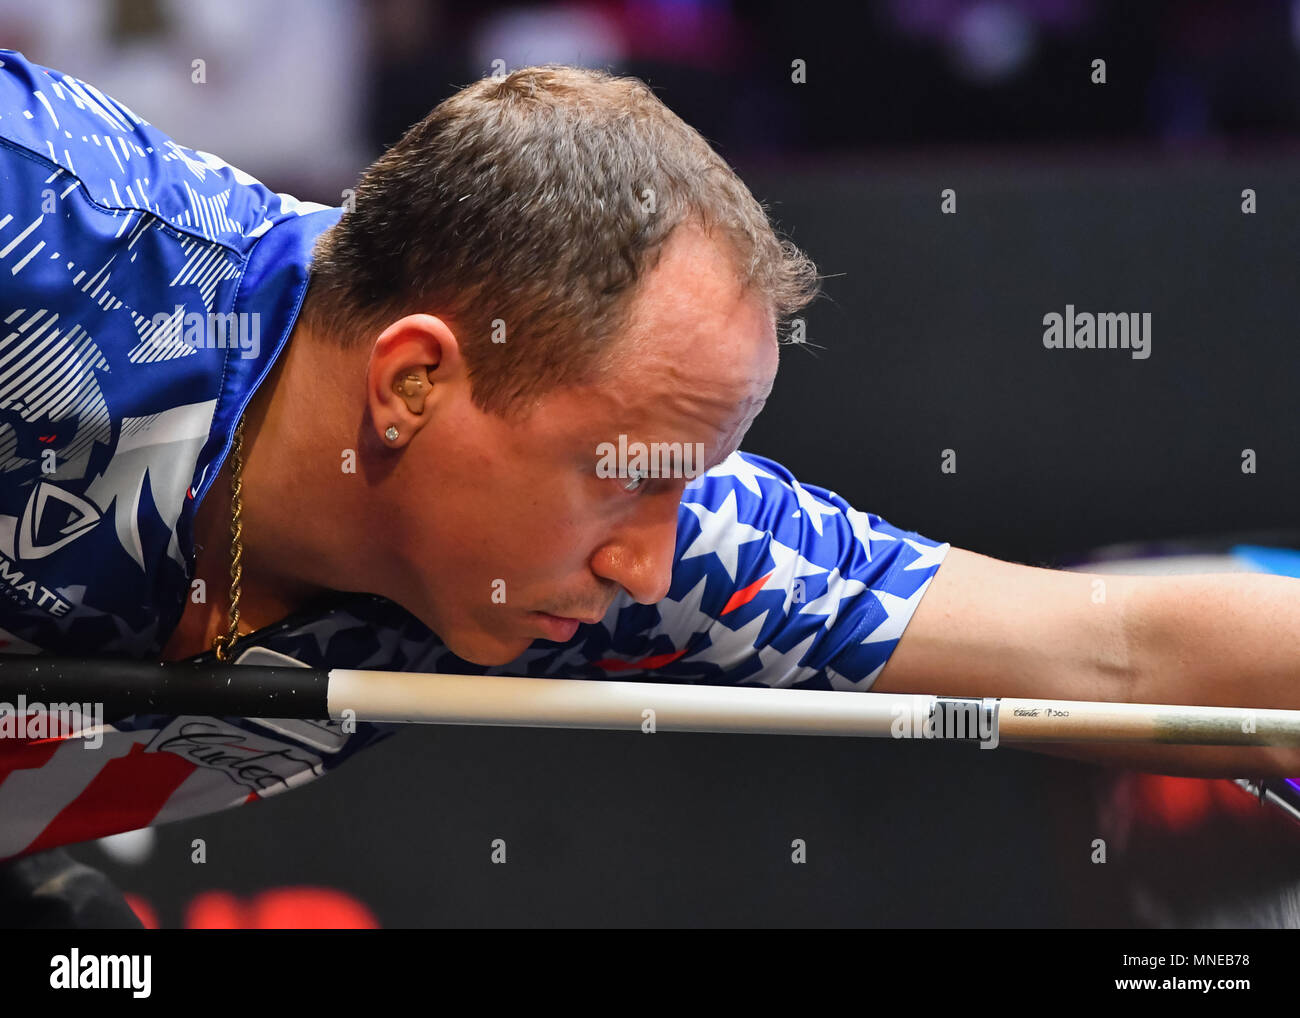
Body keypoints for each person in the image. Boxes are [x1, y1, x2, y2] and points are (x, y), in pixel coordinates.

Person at [0, 50, 1297, 926]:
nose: (655, 562)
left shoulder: (654, 569)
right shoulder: (43, 229)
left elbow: (1114, 650)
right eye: (628, 481)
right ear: (411, 385)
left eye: (691, 486)